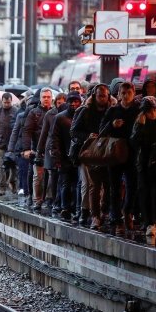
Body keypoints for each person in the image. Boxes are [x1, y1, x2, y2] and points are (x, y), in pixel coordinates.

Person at [99, 82, 140, 232]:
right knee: (114, 187)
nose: (125, 96)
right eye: (123, 93)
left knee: (132, 185)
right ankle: (115, 216)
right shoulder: (113, 111)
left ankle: (127, 211)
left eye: (128, 93)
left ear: (133, 93)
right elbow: (102, 131)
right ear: (119, 94)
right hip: (115, 153)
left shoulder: (138, 110)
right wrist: (112, 125)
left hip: (132, 153)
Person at [71, 83, 112, 227]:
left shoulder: (111, 111)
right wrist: (88, 136)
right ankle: (87, 211)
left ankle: (102, 210)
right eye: (99, 96)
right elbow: (74, 131)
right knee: (90, 184)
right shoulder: (86, 111)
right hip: (87, 151)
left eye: (104, 96)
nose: (102, 99)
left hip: (105, 152)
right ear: (95, 96)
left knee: (106, 185)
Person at [131, 96, 156, 236]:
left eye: (153, 110)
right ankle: (149, 222)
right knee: (145, 191)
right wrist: (140, 126)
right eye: (148, 111)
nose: (151, 113)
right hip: (144, 161)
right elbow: (134, 142)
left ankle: (154, 217)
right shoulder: (139, 122)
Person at [50, 91, 81, 221]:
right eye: (71, 101)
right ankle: (65, 207)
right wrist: (57, 157)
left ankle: (74, 208)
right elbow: (54, 138)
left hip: (78, 156)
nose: (73, 104)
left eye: (76, 101)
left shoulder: (82, 115)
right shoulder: (60, 118)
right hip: (64, 156)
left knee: (76, 184)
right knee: (65, 184)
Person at [22, 88, 53, 211]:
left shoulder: (54, 112)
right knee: (38, 176)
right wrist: (26, 149)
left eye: (48, 97)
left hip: (51, 149)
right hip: (37, 149)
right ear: (40, 98)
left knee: (51, 176)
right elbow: (27, 131)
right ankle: (37, 200)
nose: (46, 99)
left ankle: (49, 199)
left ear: (52, 98)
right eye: (44, 97)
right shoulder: (34, 113)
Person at [37, 93, 66, 213]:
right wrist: (40, 149)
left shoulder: (68, 113)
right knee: (53, 175)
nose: (61, 105)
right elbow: (44, 133)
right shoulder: (50, 114)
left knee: (62, 177)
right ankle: (53, 200)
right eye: (59, 103)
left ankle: (60, 201)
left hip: (63, 146)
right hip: (51, 147)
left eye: (63, 103)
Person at [9, 97, 30, 196]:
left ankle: (27, 190)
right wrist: (11, 148)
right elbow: (15, 131)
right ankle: (23, 188)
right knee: (22, 169)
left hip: (32, 147)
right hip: (21, 147)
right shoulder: (20, 115)